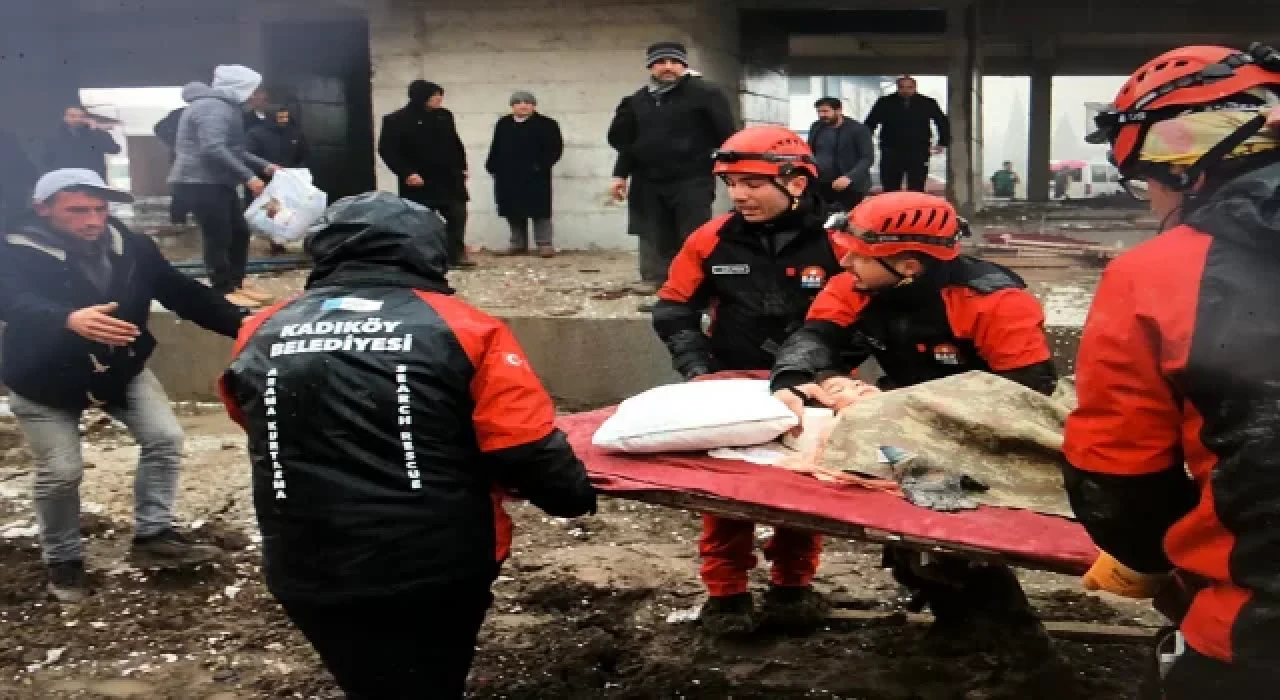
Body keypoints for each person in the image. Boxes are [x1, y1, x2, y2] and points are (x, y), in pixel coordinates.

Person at [218, 191, 596, 699]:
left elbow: (253, 418)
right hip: (435, 563)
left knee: (368, 678)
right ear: (427, 249)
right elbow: (522, 446)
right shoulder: (465, 328)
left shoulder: (262, 329)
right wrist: (573, 496)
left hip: (305, 558)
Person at [1064, 42, 1280, 698]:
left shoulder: (1156, 276)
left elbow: (1117, 479)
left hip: (1256, 632)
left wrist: (1151, 559)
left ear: (1184, 166)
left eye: (1148, 182)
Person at [769, 191, 1058, 663]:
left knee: (955, 541)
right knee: (901, 536)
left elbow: (1027, 394)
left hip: (987, 427)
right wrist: (802, 378)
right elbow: (816, 338)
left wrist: (907, 407)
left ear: (907, 265)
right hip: (903, 418)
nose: (845, 263)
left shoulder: (996, 301)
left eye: (859, 255)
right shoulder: (856, 285)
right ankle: (956, 627)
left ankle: (1025, 659)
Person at [0, 169, 245, 602]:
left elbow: (182, 292)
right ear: (44, 209)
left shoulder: (131, 246)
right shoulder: (15, 251)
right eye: (77, 210)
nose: (92, 220)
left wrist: (244, 326)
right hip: (43, 379)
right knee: (61, 472)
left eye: (99, 209)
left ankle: (154, 536)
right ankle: (64, 560)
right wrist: (65, 318)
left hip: (120, 370)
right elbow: (12, 298)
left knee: (165, 438)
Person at [652, 126, 846, 635]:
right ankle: (726, 596)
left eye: (753, 183)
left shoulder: (841, 242)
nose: (739, 194)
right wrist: (696, 370)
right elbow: (673, 307)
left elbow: (870, 306)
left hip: (816, 386)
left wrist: (839, 374)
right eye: (731, 182)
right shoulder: (710, 238)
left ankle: (793, 590)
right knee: (725, 496)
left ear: (796, 182)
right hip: (730, 379)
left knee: (802, 490)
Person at [608, 41, 737, 298]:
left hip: (692, 178)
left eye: (674, 62)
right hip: (648, 178)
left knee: (692, 230)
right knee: (650, 229)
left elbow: (727, 136)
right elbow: (626, 142)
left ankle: (696, 279)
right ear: (651, 67)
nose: (668, 67)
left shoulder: (706, 94)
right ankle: (654, 278)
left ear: (684, 66)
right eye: (661, 62)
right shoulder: (637, 100)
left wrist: (732, 172)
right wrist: (620, 175)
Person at [168, 65, 281, 308]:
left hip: (217, 181)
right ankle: (222, 288)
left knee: (239, 232)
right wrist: (249, 177)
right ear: (241, 89)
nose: (257, 96)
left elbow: (234, 150)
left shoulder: (227, 108)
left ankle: (236, 282)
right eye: (254, 90)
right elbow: (213, 148)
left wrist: (266, 166)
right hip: (199, 181)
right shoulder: (212, 108)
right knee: (218, 235)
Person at [378, 80, 473, 269]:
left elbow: (454, 143)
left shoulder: (444, 116)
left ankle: (456, 254)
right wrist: (407, 173)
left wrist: (462, 166)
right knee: (420, 220)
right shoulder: (396, 120)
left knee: (457, 214)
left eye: (440, 95)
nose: (439, 99)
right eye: (434, 95)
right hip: (418, 180)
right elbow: (387, 150)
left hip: (448, 177)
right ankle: (423, 256)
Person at [484, 90, 563, 258]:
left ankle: (544, 244)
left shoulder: (547, 124)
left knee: (539, 209)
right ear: (512, 106)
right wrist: (492, 166)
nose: (523, 105)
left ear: (534, 106)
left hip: (535, 174)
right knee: (512, 209)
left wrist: (541, 165)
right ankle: (517, 243)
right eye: (519, 102)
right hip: (508, 174)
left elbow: (555, 149)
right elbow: (496, 146)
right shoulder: (503, 124)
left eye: (528, 102)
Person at [864, 77, 950, 193]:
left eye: (909, 87)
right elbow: (870, 123)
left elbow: (942, 122)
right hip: (891, 149)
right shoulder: (885, 102)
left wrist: (942, 142)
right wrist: (865, 142)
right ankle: (892, 210)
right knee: (890, 186)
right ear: (897, 87)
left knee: (917, 186)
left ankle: (915, 209)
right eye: (902, 87)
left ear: (915, 87)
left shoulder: (927, 103)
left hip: (918, 150)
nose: (905, 90)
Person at [807, 97, 874, 214]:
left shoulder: (859, 129)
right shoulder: (816, 127)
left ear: (838, 110)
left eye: (825, 111)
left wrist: (849, 177)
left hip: (849, 186)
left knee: (847, 221)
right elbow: (809, 151)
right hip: (821, 184)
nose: (822, 115)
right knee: (820, 219)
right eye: (819, 111)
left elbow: (867, 158)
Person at [44, 105, 121, 179]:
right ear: (65, 118)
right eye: (72, 116)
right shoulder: (54, 137)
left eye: (81, 117)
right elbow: (47, 161)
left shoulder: (95, 133)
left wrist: (95, 130)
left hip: (92, 181)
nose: (77, 119)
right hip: (66, 182)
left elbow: (114, 149)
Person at [0, 128, 38, 232]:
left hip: (13, 186)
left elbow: (25, 164)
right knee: (15, 212)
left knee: (15, 211)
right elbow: (26, 164)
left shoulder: (11, 147)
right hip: (13, 186)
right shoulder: (13, 146)